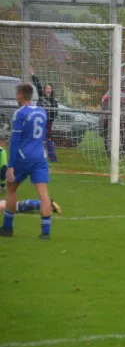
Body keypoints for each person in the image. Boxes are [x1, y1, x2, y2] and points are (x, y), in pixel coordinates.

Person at [0, 83, 54, 238]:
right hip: (40, 157)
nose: (16, 96)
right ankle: (45, 233)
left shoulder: (20, 113)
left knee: (11, 189)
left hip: (23, 158)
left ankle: (7, 228)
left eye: (17, 94)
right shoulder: (42, 112)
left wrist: (10, 166)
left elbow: (15, 141)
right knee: (44, 195)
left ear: (20, 96)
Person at [29, 66, 58, 162]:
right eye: (47, 88)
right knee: (36, 139)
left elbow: (55, 113)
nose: (48, 89)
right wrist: (33, 74)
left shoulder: (54, 101)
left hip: (48, 123)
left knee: (48, 140)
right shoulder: (41, 96)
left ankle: (53, 158)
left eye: (50, 88)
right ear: (44, 90)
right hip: (39, 122)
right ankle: (34, 156)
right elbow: (37, 84)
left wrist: (50, 120)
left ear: (52, 90)